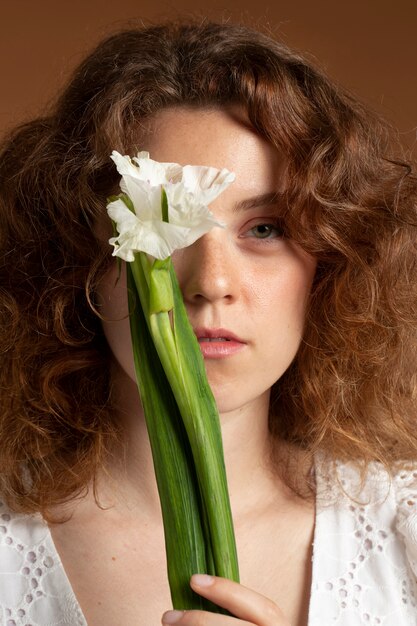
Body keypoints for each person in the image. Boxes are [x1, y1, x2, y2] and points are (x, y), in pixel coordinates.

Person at [0, 19, 416, 626]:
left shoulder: (405, 530)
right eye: (167, 224)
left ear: (331, 261)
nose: (211, 283)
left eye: (265, 228)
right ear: (82, 257)